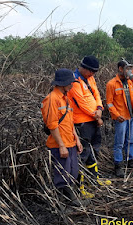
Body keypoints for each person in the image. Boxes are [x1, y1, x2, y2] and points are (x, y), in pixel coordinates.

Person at [67, 55, 111, 198]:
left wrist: (99, 108)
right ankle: (81, 188)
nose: (92, 74)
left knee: (93, 151)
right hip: (82, 123)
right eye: (91, 71)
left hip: (93, 120)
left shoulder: (90, 78)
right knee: (83, 154)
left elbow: (96, 94)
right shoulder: (74, 81)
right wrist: (97, 116)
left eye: (94, 72)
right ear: (83, 67)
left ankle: (94, 180)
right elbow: (82, 103)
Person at [41, 68, 83, 207]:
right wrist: (61, 146)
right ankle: (64, 204)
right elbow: (52, 125)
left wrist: (76, 140)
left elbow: (69, 123)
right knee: (62, 175)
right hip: (60, 145)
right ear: (62, 84)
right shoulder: (51, 99)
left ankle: (72, 199)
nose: (72, 85)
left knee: (72, 172)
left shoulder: (65, 98)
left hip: (70, 142)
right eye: (70, 82)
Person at [106, 60, 133, 177]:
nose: (129, 71)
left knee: (130, 141)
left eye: (130, 69)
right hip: (121, 118)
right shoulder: (111, 84)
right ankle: (118, 165)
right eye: (127, 69)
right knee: (119, 143)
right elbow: (109, 103)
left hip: (131, 118)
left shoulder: (130, 83)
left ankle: (130, 161)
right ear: (120, 69)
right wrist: (116, 115)